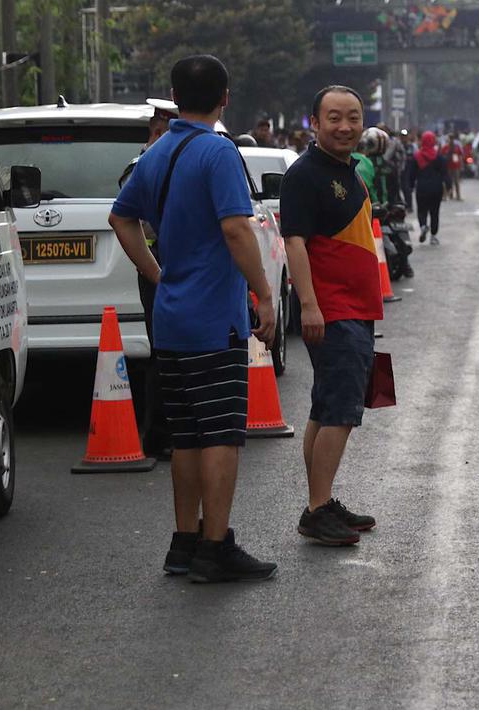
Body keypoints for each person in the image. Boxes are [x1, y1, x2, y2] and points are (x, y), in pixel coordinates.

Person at [110, 54, 278, 583]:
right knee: (222, 435)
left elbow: (121, 216)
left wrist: (158, 274)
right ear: (225, 98)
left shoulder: (155, 154)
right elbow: (235, 229)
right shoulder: (218, 152)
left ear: (175, 96)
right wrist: (265, 294)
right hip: (214, 320)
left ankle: (183, 544)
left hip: (173, 316)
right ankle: (215, 548)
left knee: (185, 437)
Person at [279, 85, 383, 547]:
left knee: (325, 409)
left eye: (354, 117)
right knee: (341, 410)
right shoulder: (304, 174)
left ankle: (322, 501)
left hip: (355, 308)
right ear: (314, 123)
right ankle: (317, 510)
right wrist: (309, 305)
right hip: (333, 310)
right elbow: (295, 241)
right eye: (334, 118)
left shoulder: (350, 169)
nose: (345, 126)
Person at [119, 98, 179, 462]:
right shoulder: (140, 167)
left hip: (179, 265)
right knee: (163, 351)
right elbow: (134, 221)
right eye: (159, 132)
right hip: (158, 266)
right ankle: (159, 435)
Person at [406, 130, 449, 245]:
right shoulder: (439, 157)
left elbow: (412, 174)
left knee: (422, 210)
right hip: (436, 189)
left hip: (422, 188)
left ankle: (423, 225)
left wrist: (410, 186)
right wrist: (448, 187)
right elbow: (445, 174)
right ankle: (433, 236)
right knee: (435, 212)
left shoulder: (416, 157)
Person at [443, 132, 464, 200]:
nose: (451, 140)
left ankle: (458, 196)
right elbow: (442, 156)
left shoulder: (457, 147)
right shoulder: (445, 147)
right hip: (448, 167)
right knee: (449, 181)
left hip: (456, 167)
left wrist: (461, 165)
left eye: (452, 138)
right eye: (450, 138)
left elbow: (460, 156)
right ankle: (449, 195)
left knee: (456, 181)